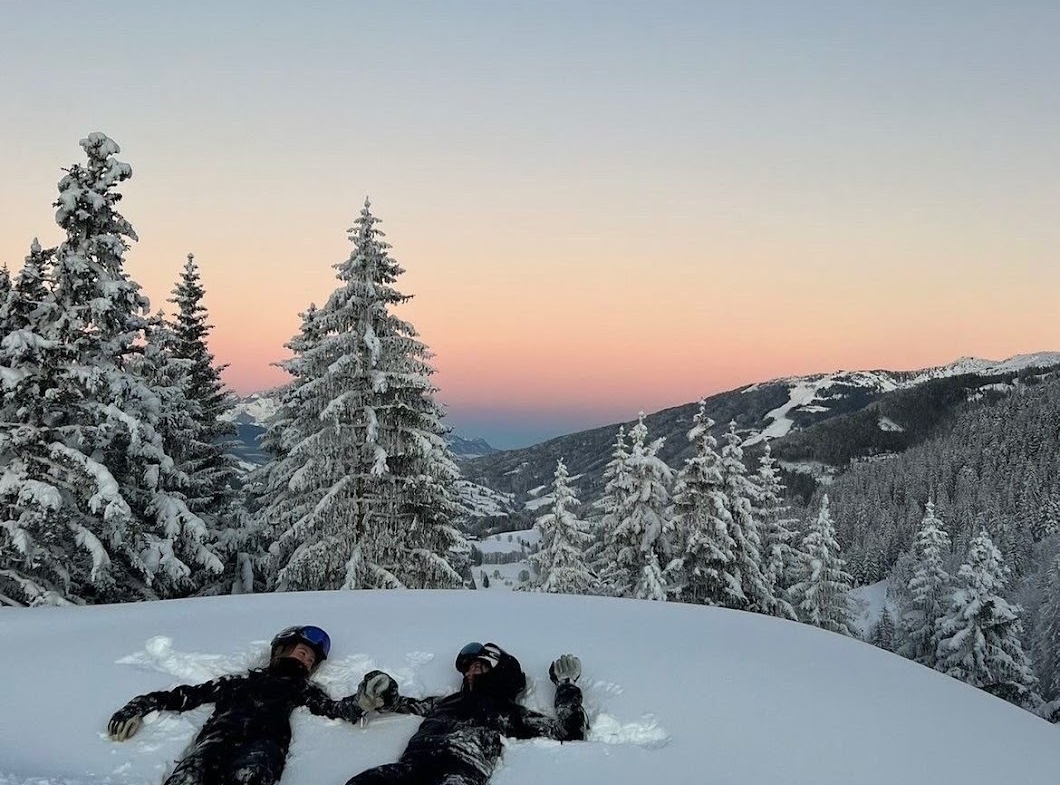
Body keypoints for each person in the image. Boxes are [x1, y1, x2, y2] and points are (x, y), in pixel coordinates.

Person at [107, 625, 380, 785]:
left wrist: (363, 701)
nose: (306, 660)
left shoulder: (303, 688)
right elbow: (184, 696)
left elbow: (333, 710)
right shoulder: (239, 680)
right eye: (303, 652)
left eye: (311, 660)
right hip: (217, 739)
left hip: (265, 745)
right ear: (282, 649)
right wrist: (138, 706)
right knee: (188, 779)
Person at [345, 641, 587, 785]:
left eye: (478, 667)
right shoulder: (445, 703)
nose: (469, 674)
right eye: (468, 670)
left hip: (461, 770)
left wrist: (566, 685)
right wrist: (381, 693)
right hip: (413, 767)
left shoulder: (510, 713)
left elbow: (570, 732)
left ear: (500, 672)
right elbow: (401, 704)